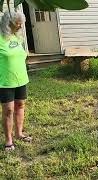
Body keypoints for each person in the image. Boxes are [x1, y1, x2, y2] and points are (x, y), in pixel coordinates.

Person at [0, 10, 32, 151]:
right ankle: (8, 140)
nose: (20, 26)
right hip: (5, 81)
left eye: (21, 23)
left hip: (21, 78)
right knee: (8, 110)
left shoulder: (16, 37)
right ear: (8, 23)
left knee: (20, 106)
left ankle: (19, 134)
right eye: (17, 23)